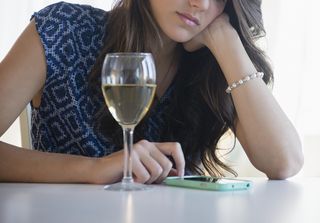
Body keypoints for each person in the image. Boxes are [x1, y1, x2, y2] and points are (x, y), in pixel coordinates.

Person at [0, 0, 303, 184]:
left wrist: (226, 40)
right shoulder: (62, 30)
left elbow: (284, 162)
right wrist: (95, 169)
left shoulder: (209, 67)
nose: (199, 3)